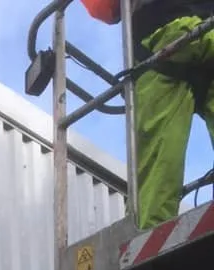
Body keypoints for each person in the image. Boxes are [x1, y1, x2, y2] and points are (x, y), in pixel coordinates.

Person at [82, 0, 214, 228]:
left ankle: (149, 253)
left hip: (159, 34)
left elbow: (104, 8)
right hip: (206, 28)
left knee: (153, 180)